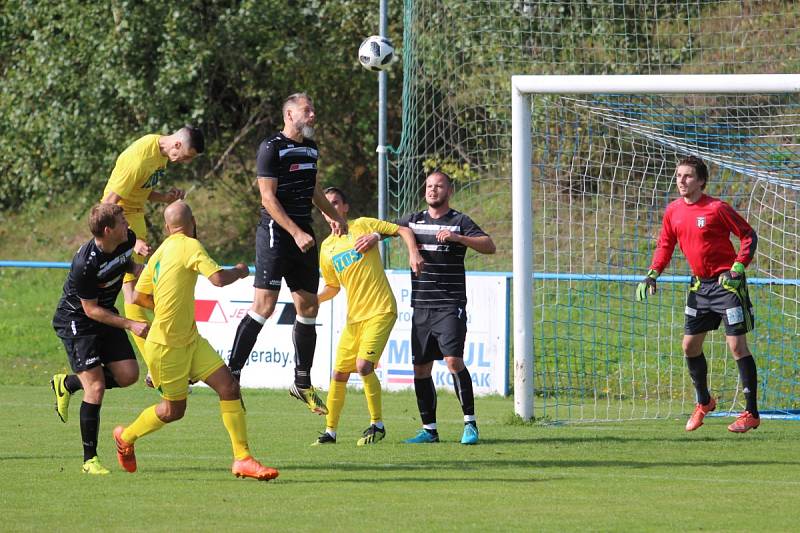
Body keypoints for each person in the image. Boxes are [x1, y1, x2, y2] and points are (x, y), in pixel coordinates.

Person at [113, 200, 278, 480]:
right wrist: (239, 271)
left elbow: (139, 297)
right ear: (192, 223)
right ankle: (126, 437)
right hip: (166, 347)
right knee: (173, 411)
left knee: (228, 387)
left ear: (167, 227)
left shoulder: (159, 252)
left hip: (190, 340)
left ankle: (243, 458)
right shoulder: (190, 245)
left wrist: (167, 308)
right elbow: (217, 279)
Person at [226, 93, 347, 415]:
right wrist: (294, 232)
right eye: (307, 110)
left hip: (303, 232)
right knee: (263, 305)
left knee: (308, 306)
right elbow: (267, 198)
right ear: (290, 114)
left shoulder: (311, 147)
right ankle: (232, 374)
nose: (313, 114)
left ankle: (301, 382)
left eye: (313, 108)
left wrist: (332, 216)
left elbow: (314, 190)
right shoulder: (271, 147)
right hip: (276, 234)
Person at [636, 155, 759, 433]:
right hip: (699, 288)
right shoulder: (673, 211)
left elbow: (748, 235)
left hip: (726, 286)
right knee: (689, 346)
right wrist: (653, 273)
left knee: (737, 347)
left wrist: (738, 267)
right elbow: (665, 244)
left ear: (701, 181)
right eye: (679, 175)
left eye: (688, 176)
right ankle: (704, 402)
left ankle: (751, 413)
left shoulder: (717, 209)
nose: (681, 180)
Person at [390, 171, 496, 445]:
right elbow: (390, 228)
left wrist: (459, 239)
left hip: (450, 304)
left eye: (438, 186)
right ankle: (429, 430)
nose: (432, 190)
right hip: (421, 306)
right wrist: (409, 248)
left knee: (452, 361)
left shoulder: (460, 222)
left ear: (449, 191)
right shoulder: (414, 220)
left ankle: (470, 425)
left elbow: (489, 245)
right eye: (429, 186)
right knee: (420, 369)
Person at [312, 187, 424, 446]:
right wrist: (314, 300)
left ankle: (378, 424)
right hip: (355, 319)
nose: (331, 209)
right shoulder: (327, 248)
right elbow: (333, 287)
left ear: (345, 207)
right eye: (325, 206)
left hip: (381, 309)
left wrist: (411, 252)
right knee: (338, 373)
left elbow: (403, 230)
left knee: (363, 366)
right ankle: (330, 432)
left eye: (336, 202)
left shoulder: (362, 225)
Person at [50, 203, 149, 474]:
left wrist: (137, 269)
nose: (127, 225)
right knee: (95, 388)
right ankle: (89, 460)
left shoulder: (126, 239)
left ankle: (68, 383)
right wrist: (130, 324)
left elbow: (122, 262)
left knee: (129, 375)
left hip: (104, 314)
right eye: (122, 221)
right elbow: (89, 309)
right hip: (78, 322)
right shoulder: (85, 263)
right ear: (108, 230)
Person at [102, 126, 205, 360]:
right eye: (187, 156)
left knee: (139, 292)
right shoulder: (139, 158)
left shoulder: (161, 155)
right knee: (133, 297)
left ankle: (160, 356)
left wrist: (163, 198)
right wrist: (129, 239)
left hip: (135, 218)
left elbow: (138, 190)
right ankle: (155, 365)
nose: (185, 161)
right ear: (177, 144)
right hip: (120, 222)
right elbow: (108, 204)